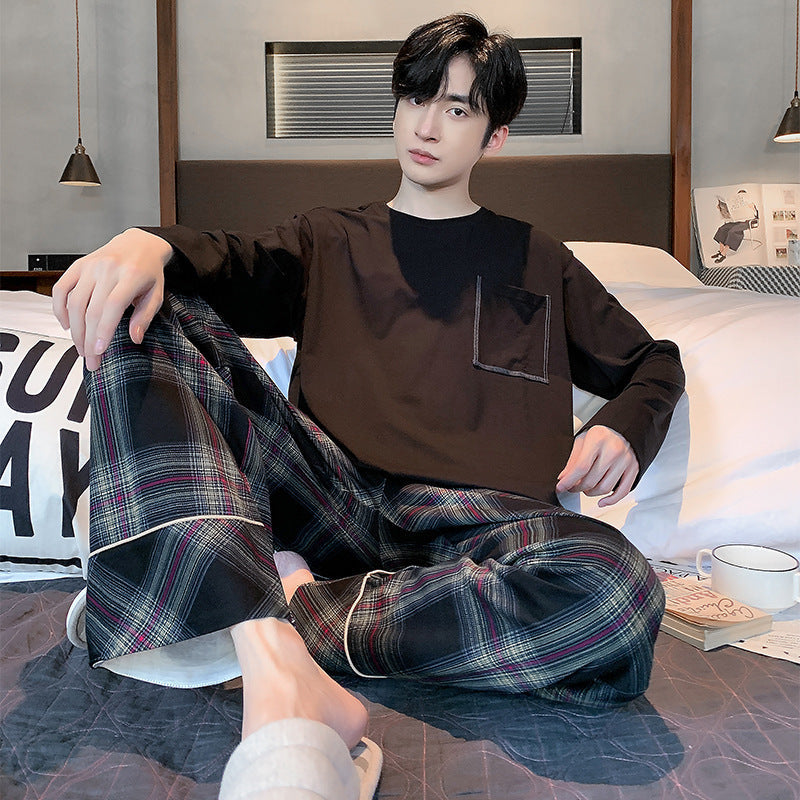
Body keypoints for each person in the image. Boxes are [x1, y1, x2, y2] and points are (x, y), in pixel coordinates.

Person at [53, 12, 685, 788]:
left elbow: (654, 362)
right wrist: (145, 243)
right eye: (416, 98)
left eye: (457, 108)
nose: (427, 125)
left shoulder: (539, 259)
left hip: (483, 529)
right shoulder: (327, 240)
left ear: (495, 136)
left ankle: (265, 609)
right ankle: (262, 608)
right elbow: (222, 262)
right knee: (139, 303)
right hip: (331, 501)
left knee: (617, 593)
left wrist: (625, 424)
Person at [711, 188, 759, 263]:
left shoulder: (750, 203)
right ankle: (720, 251)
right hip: (737, 221)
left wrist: (752, 207)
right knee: (722, 229)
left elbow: (755, 216)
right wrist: (721, 208)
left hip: (747, 222)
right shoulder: (735, 205)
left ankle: (723, 253)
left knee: (733, 231)